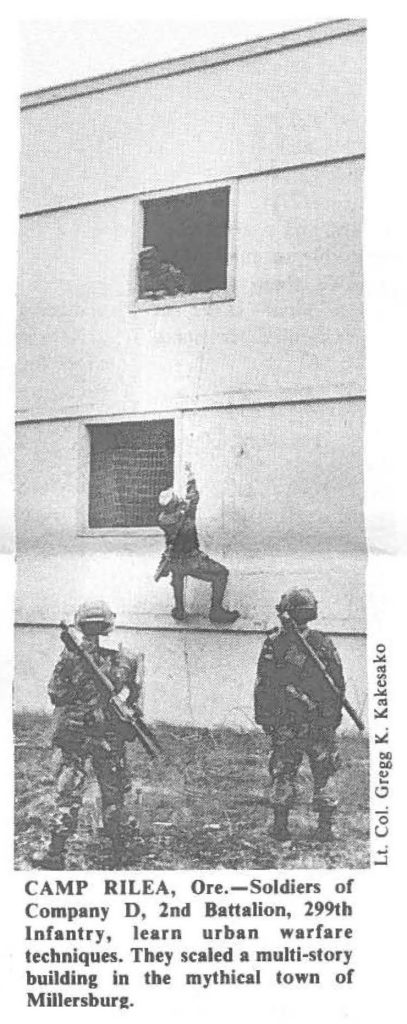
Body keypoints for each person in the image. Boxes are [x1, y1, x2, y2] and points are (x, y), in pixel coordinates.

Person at [32, 601, 142, 869]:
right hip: (111, 735)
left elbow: (57, 694)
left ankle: (55, 854)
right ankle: (120, 853)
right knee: (113, 792)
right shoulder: (128, 654)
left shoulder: (71, 656)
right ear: (109, 623)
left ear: (80, 624)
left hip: (76, 735)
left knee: (68, 793)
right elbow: (135, 695)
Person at [254, 588, 346, 842]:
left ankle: (282, 826)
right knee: (321, 771)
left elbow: (264, 683)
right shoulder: (321, 641)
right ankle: (321, 827)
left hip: (290, 721)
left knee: (285, 770)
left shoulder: (277, 642)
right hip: (311, 720)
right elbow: (338, 682)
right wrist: (331, 716)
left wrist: (266, 718)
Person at [155, 463, 240, 624]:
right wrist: (190, 475)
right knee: (221, 573)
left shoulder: (163, 519)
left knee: (177, 575)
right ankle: (216, 610)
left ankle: (179, 609)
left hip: (174, 559)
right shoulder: (186, 515)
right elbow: (193, 496)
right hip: (192, 559)